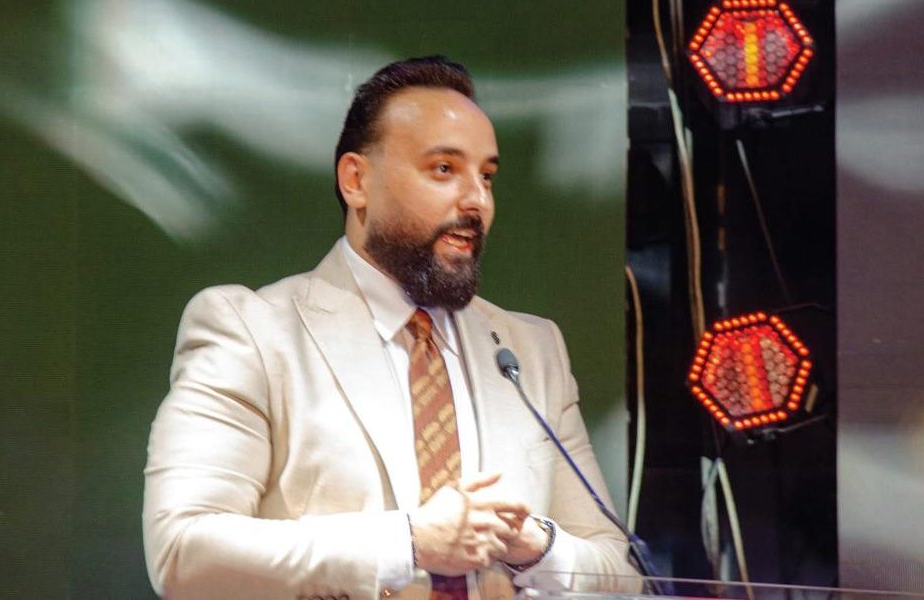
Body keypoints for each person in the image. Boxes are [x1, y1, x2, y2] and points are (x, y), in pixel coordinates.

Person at [142, 56, 637, 600]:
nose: (476, 201)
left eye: (487, 176)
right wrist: (410, 542)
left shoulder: (531, 350)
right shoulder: (253, 332)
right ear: (357, 181)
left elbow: (619, 570)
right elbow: (183, 552)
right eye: (444, 169)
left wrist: (534, 545)